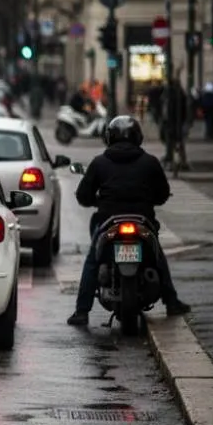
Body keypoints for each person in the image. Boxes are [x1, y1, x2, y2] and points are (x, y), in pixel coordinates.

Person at [68, 115, 191, 326]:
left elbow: (83, 196)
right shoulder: (150, 162)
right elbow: (162, 194)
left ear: (109, 137)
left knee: (93, 260)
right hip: (142, 220)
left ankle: (82, 311)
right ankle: (171, 302)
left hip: (108, 221)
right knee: (157, 256)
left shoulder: (99, 162)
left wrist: (96, 200)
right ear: (138, 137)